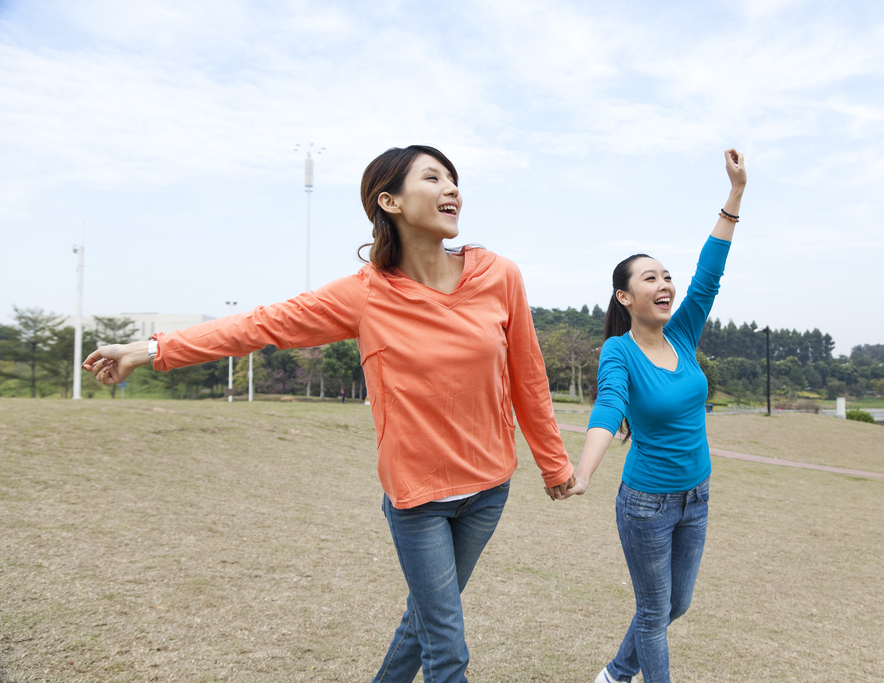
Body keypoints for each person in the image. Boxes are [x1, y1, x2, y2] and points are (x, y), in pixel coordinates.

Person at [83, 145, 576, 683]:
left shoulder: (499, 275)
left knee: (426, 623)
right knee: (447, 649)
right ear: (389, 201)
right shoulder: (365, 295)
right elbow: (259, 325)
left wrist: (553, 464)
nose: (451, 188)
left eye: (454, 179)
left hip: (487, 489)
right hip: (418, 499)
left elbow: (528, 376)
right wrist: (151, 350)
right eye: (433, 178)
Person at [565, 149, 746, 683]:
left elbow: (709, 275)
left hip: (698, 495)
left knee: (676, 606)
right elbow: (609, 406)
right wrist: (584, 473)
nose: (665, 284)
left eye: (667, 276)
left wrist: (734, 194)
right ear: (624, 296)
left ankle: (616, 674)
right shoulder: (619, 351)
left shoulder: (683, 334)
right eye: (650, 278)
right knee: (653, 613)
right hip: (647, 504)